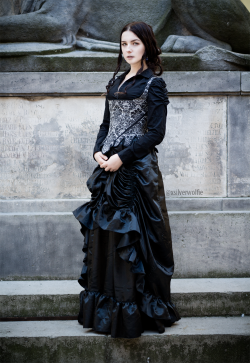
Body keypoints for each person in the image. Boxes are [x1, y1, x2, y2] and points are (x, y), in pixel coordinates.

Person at [72, 21, 181, 339]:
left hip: (137, 172)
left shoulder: (154, 84)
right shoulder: (116, 81)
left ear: (146, 45)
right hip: (108, 171)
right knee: (106, 242)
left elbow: (155, 134)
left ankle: (138, 312)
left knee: (136, 241)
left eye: (134, 43)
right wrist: (98, 153)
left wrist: (123, 157)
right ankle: (108, 312)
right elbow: (105, 125)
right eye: (124, 44)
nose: (129, 49)